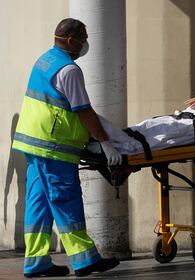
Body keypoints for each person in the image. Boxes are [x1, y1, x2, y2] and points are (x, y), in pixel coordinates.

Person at [12, 18, 122, 277]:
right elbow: (83, 111)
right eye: (83, 37)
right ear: (72, 40)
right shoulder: (69, 70)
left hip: (33, 144)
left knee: (38, 204)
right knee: (65, 200)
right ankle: (86, 260)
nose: (86, 43)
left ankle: (36, 261)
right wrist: (107, 143)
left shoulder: (45, 60)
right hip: (54, 147)